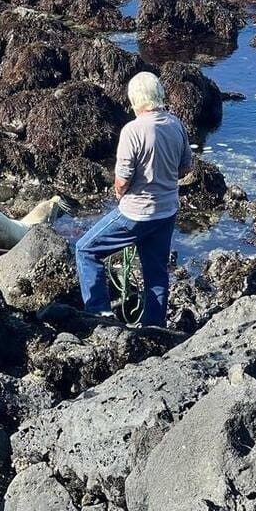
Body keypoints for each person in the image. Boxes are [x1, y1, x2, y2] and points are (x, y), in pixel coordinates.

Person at [75, 71, 192, 327]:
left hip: (136, 213)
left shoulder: (132, 130)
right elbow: (185, 168)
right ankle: (154, 329)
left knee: (86, 250)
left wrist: (119, 194)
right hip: (167, 211)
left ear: (134, 99)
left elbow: (122, 180)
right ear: (159, 95)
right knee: (157, 275)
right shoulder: (176, 124)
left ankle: (99, 313)